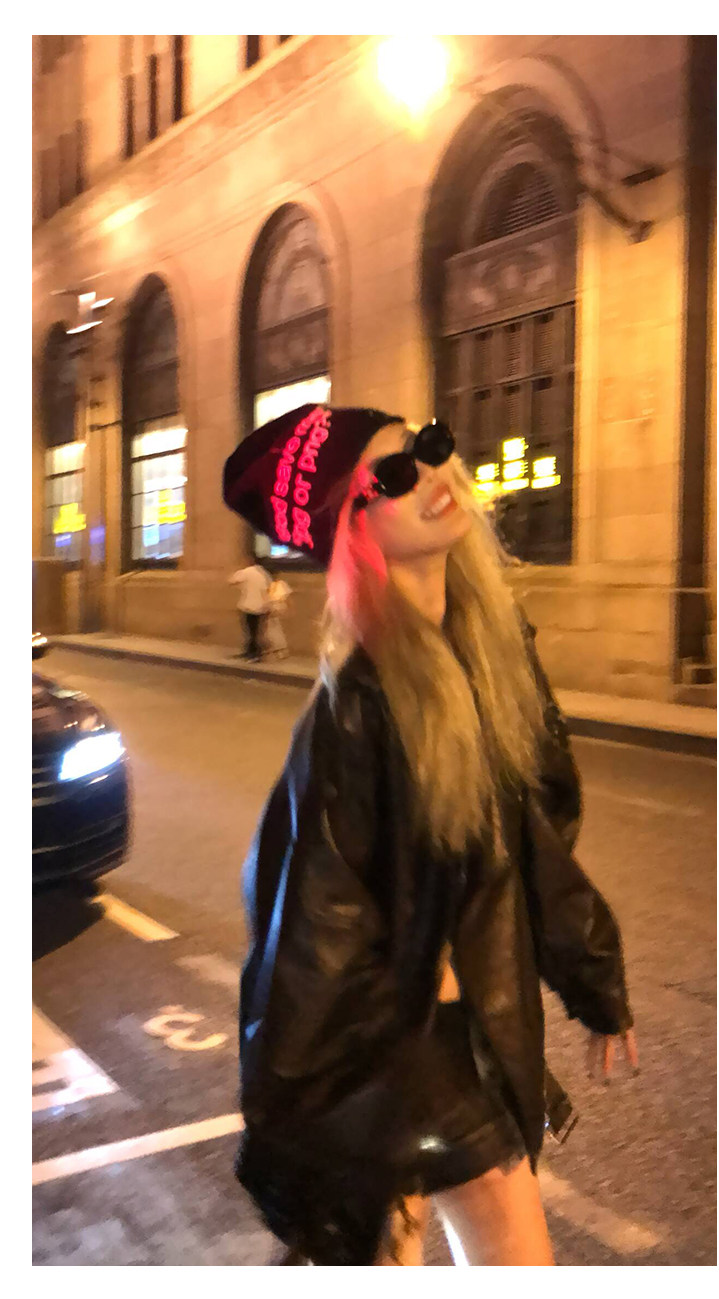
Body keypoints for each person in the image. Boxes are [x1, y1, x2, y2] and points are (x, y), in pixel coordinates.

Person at [223, 405, 637, 1267]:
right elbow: (315, 934)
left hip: (462, 1030)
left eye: (427, 446)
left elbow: (526, 842)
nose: (430, 474)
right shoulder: (356, 709)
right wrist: (301, 1129)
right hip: (389, 1045)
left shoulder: (490, 649)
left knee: (448, 1254)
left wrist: (593, 972)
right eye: (391, 476)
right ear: (354, 528)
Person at [229, 554, 271, 660]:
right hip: (262, 607)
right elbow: (268, 589)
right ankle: (254, 652)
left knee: (250, 631)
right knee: (257, 631)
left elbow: (232, 580)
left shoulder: (247, 571)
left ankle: (253, 653)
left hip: (249, 606)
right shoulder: (264, 574)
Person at [263, 577, 292, 660]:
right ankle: (277, 649)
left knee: (274, 630)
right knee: (272, 629)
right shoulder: (276, 584)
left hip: (276, 607)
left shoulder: (279, 584)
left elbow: (287, 598)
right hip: (273, 607)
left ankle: (280, 649)